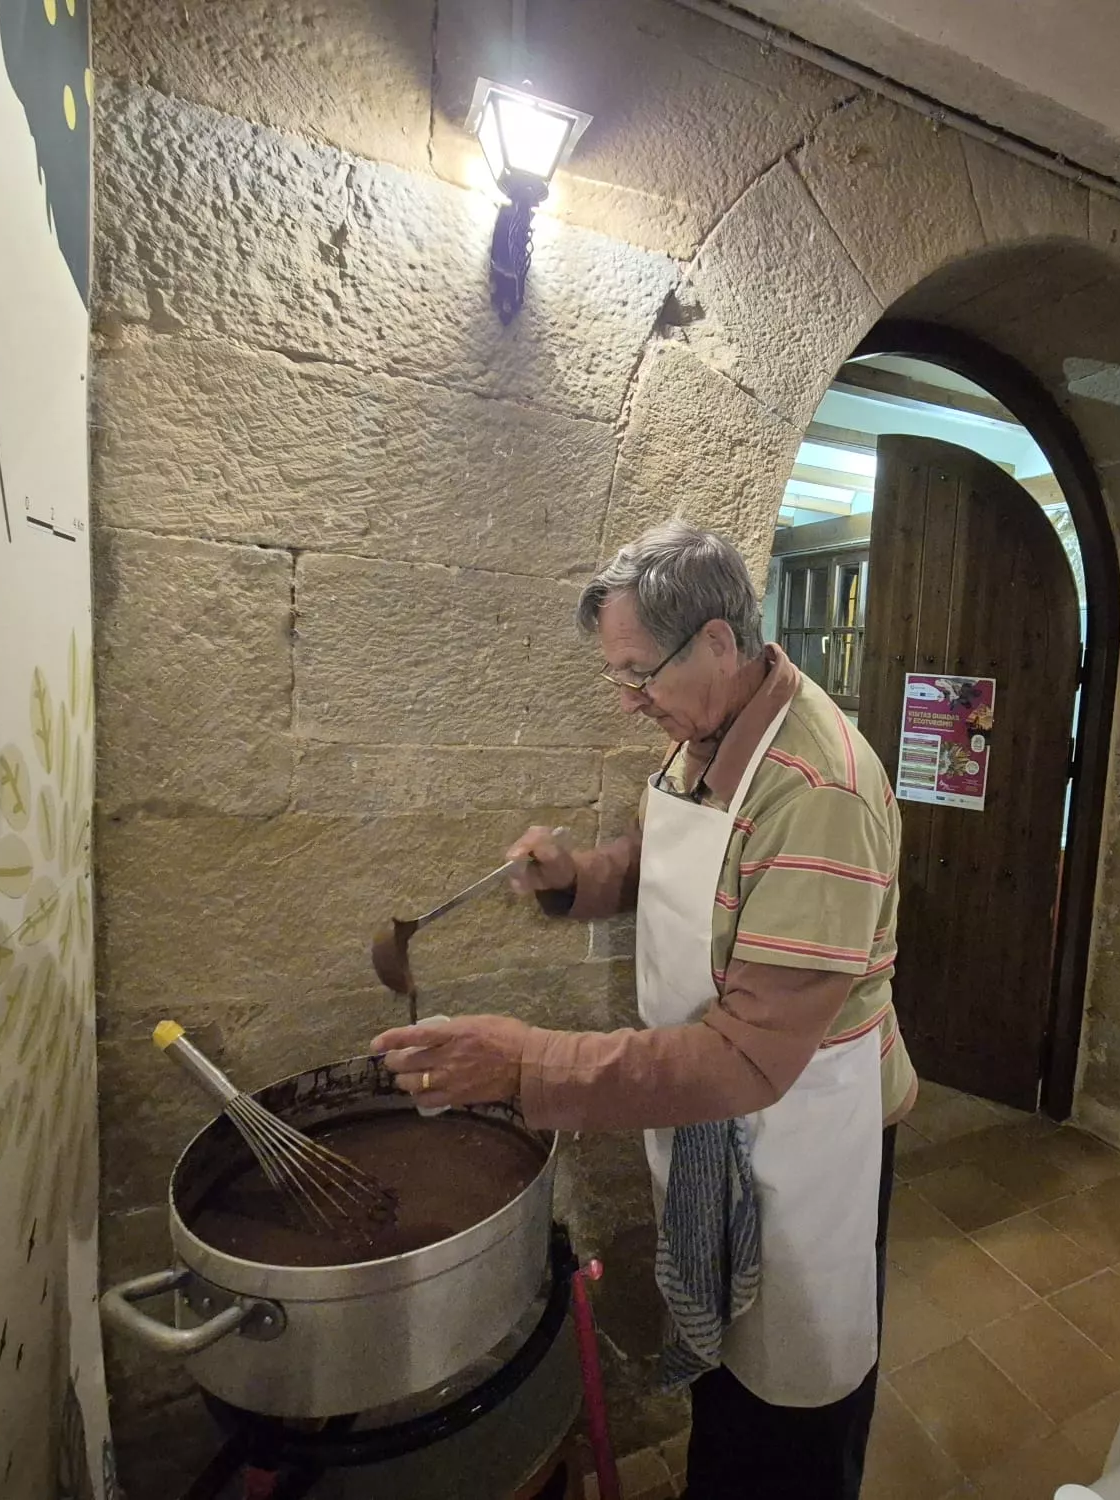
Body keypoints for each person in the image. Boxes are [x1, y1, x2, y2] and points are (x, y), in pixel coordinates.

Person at [370, 521, 916, 1500]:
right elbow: (660, 856)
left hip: (801, 1135)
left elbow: (751, 1059)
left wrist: (528, 1066)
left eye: (638, 675)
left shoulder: (817, 789)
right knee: (724, 1375)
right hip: (712, 1116)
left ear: (715, 640)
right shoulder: (702, 735)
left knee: (793, 1397)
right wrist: (573, 877)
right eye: (616, 677)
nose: (628, 703)